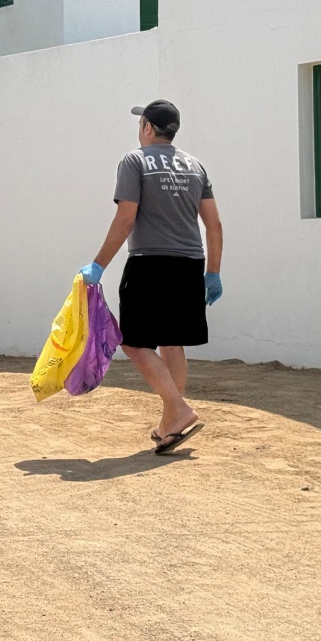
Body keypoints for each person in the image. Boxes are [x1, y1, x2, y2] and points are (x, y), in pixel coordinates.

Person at [80, 100, 223, 453]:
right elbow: (214, 225)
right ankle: (170, 425)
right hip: (190, 264)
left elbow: (126, 218)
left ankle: (179, 409)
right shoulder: (195, 166)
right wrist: (213, 272)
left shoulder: (135, 161)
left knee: (133, 342)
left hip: (150, 263)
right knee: (172, 341)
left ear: (147, 127)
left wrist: (98, 265)